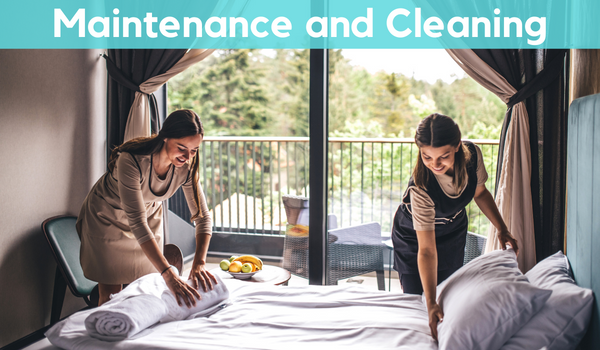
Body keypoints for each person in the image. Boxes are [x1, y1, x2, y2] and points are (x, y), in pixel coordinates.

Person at [391, 113, 518, 341]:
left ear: (458, 146)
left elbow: (480, 192)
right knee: (420, 304)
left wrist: (502, 228)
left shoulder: (472, 156)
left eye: (443, 156)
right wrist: (430, 303)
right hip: (415, 240)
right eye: (427, 157)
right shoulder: (421, 187)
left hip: (452, 231)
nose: (435, 165)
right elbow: (427, 250)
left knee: (448, 294)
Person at [76, 109, 216, 307]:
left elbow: (203, 217)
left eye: (194, 150)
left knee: (146, 289)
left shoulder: (186, 168)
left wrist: (199, 264)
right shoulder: (131, 160)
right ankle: (109, 332)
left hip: (147, 216)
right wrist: (168, 273)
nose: (187, 156)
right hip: (107, 217)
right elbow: (137, 221)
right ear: (166, 137)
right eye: (182, 148)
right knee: (111, 296)